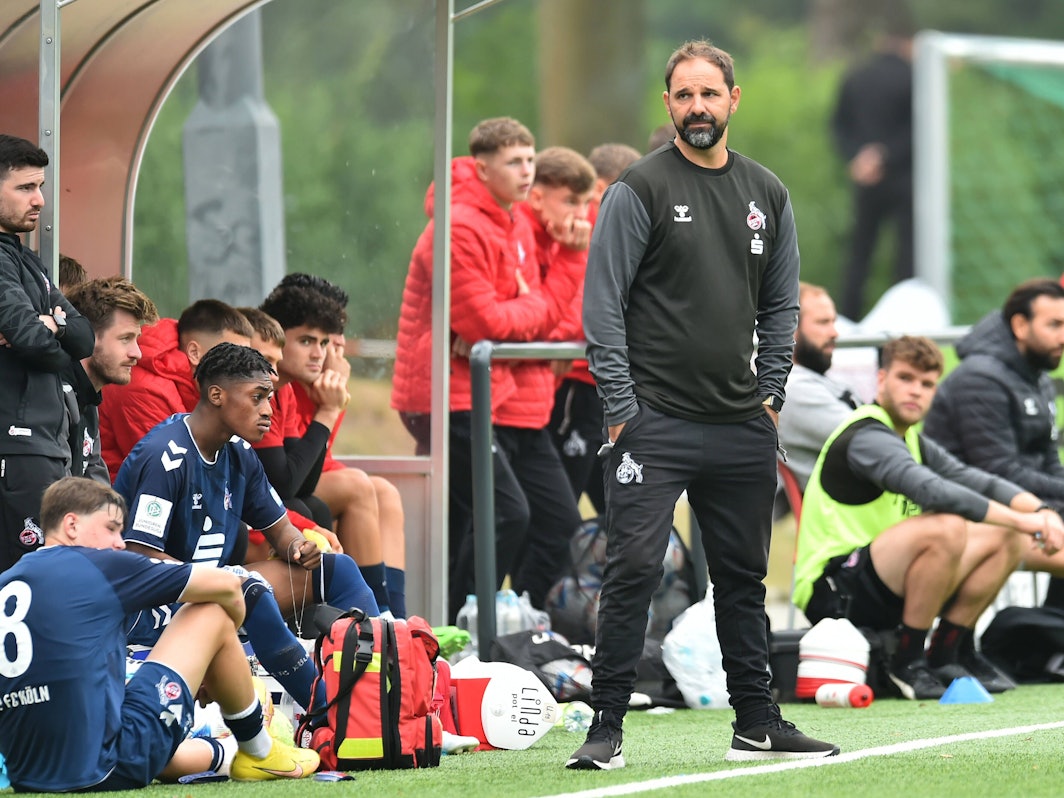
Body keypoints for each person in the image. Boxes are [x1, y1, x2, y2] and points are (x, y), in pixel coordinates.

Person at [568, 40, 838, 771]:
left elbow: (783, 304)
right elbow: (603, 308)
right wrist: (622, 409)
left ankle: (757, 721)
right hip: (653, 424)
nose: (697, 108)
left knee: (744, 578)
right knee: (632, 570)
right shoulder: (640, 188)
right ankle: (607, 728)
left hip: (741, 424)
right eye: (683, 97)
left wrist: (773, 396)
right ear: (668, 106)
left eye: (709, 95)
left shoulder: (767, 192)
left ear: (732, 100)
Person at [0, 476, 319, 791]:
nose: (119, 543)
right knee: (212, 610)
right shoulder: (98, 565)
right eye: (111, 529)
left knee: (123, 715)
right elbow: (231, 587)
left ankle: (227, 753)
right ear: (71, 525)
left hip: (26, 775)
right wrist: (219, 656)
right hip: (104, 766)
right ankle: (259, 751)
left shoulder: (8, 580)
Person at [113, 342, 379, 713]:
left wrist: (300, 547)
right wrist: (217, 584)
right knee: (248, 587)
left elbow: (280, 529)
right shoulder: (164, 455)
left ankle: (382, 693)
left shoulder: (238, 452)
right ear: (216, 395)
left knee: (335, 569)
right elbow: (138, 557)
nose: (269, 410)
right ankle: (330, 713)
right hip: (148, 609)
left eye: (269, 398)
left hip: (214, 591)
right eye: (257, 397)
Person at [793, 336, 1064, 700]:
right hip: (834, 592)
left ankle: (949, 653)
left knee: (1006, 536)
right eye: (906, 379)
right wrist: (1025, 521)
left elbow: (978, 480)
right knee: (947, 527)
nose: (915, 391)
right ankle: (907, 661)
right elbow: (932, 491)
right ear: (882, 380)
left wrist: (1040, 512)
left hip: (880, 580)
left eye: (926, 384)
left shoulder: (914, 440)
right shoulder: (867, 434)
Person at [391, 117, 577, 619]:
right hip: (445, 396)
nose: (526, 172)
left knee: (538, 518)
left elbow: (524, 318)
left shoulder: (509, 219)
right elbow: (486, 322)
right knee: (504, 513)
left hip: (483, 391)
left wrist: (527, 309)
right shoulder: (458, 225)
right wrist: (528, 312)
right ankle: (468, 630)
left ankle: (509, 623)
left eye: (530, 160)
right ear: (482, 167)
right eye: (514, 162)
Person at [261, 279, 408, 618]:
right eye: (311, 340)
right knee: (355, 486)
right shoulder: (276, 380)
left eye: (329, 340)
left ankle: (394, 616)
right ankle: (378, 616)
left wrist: (330, 405)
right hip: (268, 495)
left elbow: (314, 460)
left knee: (383, 492)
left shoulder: (296, 381)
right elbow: (288, 480)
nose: (328, 351)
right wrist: (328, 409)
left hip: (293, 477)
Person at [923, 279, 1064, 598]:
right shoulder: (979, 378)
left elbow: (1049, 459)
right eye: (1054, 325)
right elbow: (998, 471)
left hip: (1025, 507)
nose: (1063, 337)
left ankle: (1048, 634)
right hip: (973, 517)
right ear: (1019, 325)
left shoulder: (1036, 376)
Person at [499, 145, 592, 608]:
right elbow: (537, 324)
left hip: (534, 402)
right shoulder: (523, 239)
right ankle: (478, 620)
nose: (581, 214)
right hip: (506, 402)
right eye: (571, 202)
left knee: (558, 523)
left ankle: (525, 615)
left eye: (585, 203)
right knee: (504, 521)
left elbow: (566, 317)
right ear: (537, 198)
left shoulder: (560, 242)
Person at [0, 133, 95, 570]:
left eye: (39, 187)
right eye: (24, 188)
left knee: (54, 572)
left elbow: (84, 337)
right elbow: (34, 341)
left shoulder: (30, 261)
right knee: (28, 575)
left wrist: (50, 325)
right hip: (17, 447)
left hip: (50, 445)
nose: (39, 200)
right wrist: (46, 332)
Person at [550, 143, 642, 516]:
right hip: (577, 381)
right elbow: (582, 304)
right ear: (603, 188)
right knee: (558, 514)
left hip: (605, 384)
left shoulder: (615, 231)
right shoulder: (581, 230)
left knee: (620, 509)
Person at [98, 297, 254, 477]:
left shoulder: (201, 385)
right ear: (194, 352)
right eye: (232, 356)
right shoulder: (143, 389)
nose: (243, 368)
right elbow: (174, 473)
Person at [831, 20, 914, 319]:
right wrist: (886, 156)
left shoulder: (855, 77)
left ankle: (848, 319)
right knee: (907, 256)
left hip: (865, 177)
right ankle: (905, 319)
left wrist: (860, 158)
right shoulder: (914, 77)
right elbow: (918, 130)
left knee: (860, 253)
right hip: (905, 179)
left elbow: (839, 127)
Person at [62, 276, 159, 484]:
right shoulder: (53, 398)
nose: (137, 353)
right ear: (88, 337)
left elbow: (97, 490)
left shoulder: (89, 397)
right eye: (125, 339)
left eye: (136, 339)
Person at [776, 282, 861, 491]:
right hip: (850, 515)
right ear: (789, 327)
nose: (835, 333)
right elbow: (875, 441)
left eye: (834, 321)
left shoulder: (807, 380)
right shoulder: (793, 388)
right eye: (823, 322)